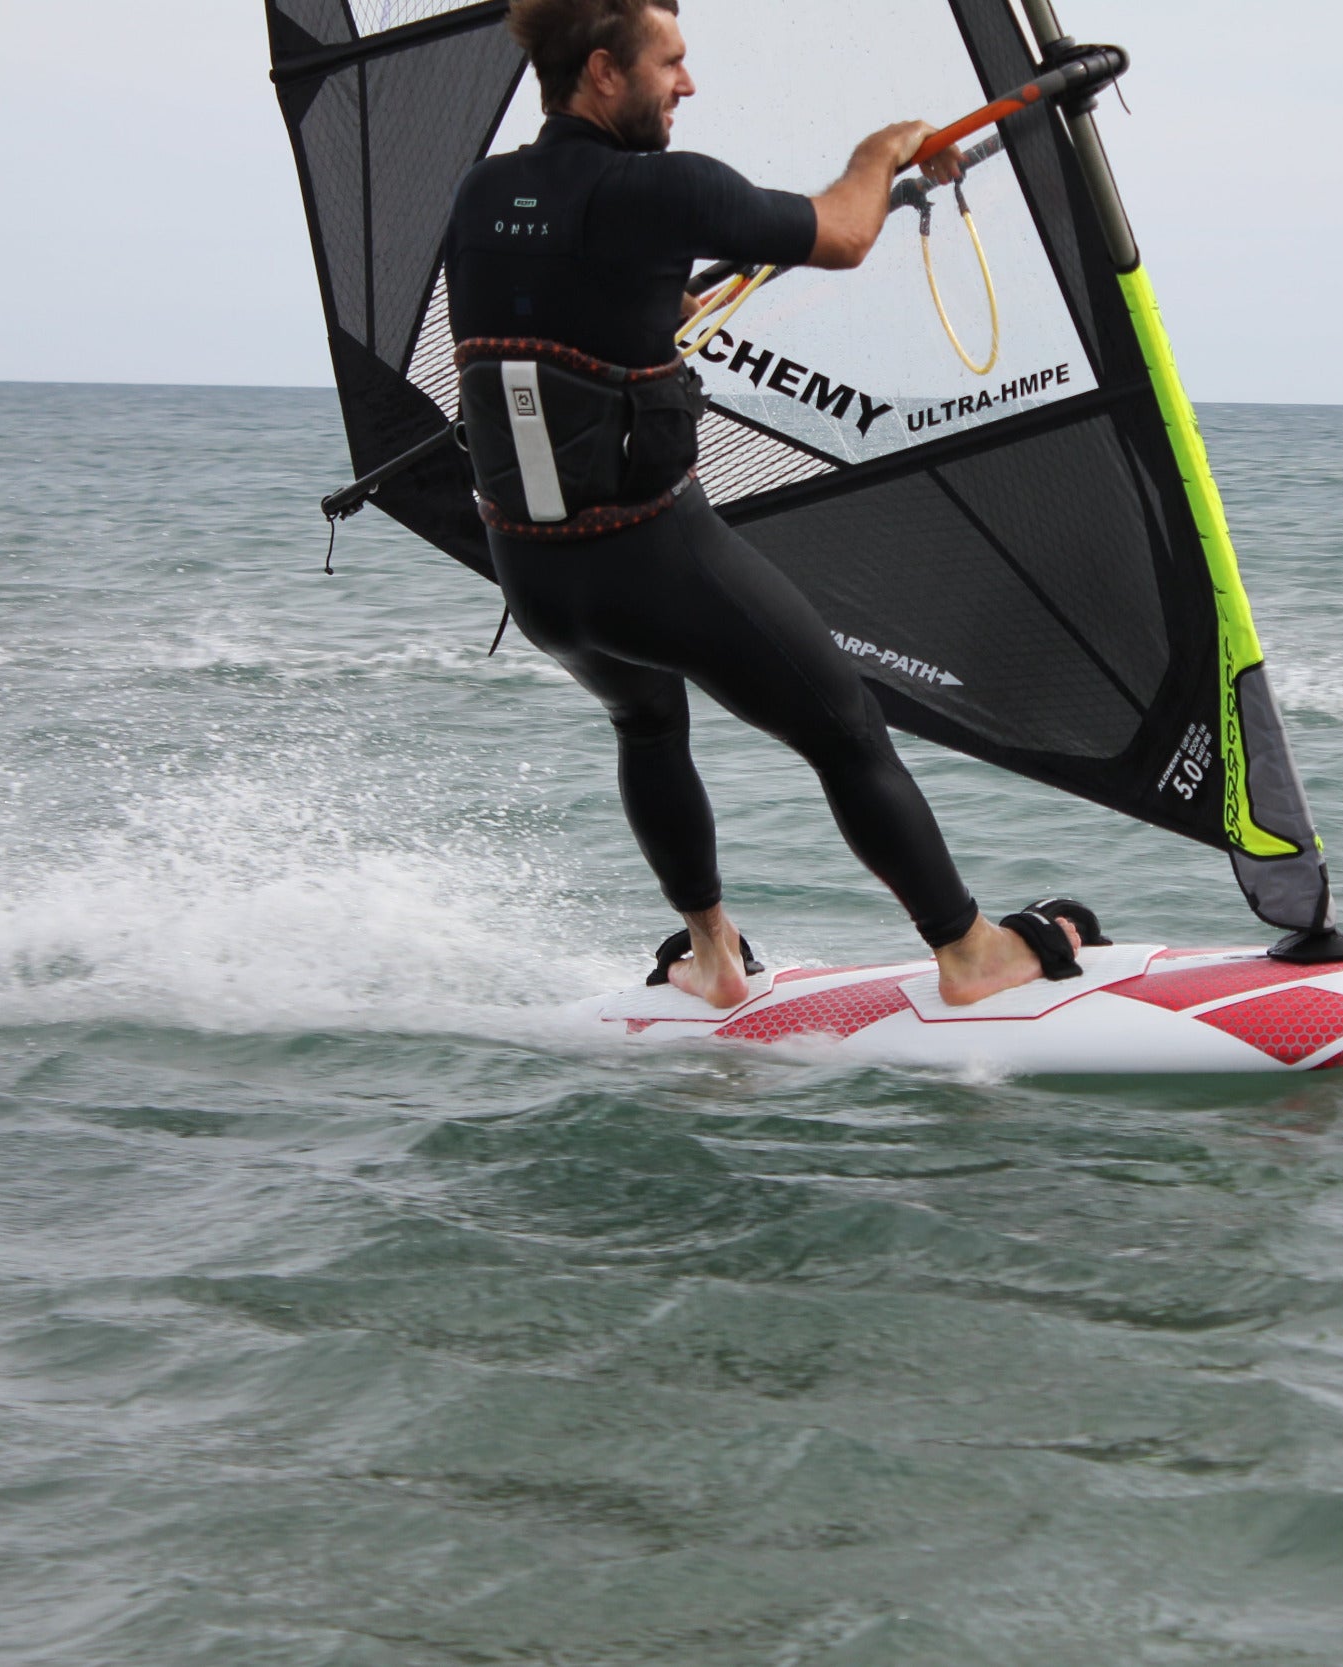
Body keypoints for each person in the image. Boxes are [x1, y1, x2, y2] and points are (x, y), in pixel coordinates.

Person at [445, 0, 1084, 1008]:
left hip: (532, 574)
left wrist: (655, 303)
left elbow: (545, 305)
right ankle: (968, 952)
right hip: (647, 556)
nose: (687, 85)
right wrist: (887, 148)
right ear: (604, 72)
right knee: (844, 727)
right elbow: (840, 232)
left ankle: (713, 955)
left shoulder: (483, 193)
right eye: (673, 63)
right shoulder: (659, 190)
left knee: (647, 722)